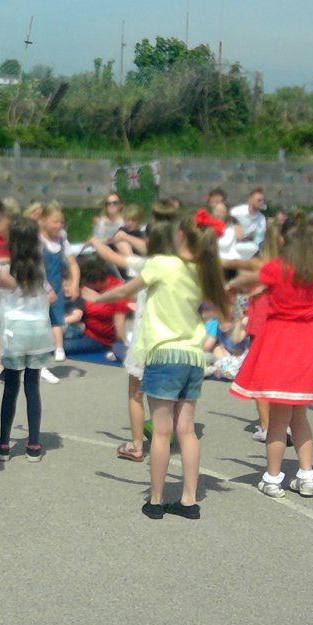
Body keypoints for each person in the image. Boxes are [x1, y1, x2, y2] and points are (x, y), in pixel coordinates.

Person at [93, 216, 232, 517]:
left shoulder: (163, 265)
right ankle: (189, 500)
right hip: (192, 356)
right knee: (187, 431)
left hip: (164, 353)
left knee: (160, 432)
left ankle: (155, 500)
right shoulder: (202, 270)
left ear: (181, 234)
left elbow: (124, 290)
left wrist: (96, 297)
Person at [0, 217, 53, 461]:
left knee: (11, 387)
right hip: (38, 330)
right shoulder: (39, 267)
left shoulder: (7, 268)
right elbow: (47, 293)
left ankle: (4, 443)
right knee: (32, 387)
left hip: (15, 330)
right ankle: (34, 443)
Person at [37, 203, 77, 381]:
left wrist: (75, 283)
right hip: (39, 287)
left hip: (56, 285)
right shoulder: (38, 241)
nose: (59, 225)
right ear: (44, 221)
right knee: (41, 325)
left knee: (55, 320)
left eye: (61, 222)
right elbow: (37, 269)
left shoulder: (61, 238)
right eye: (55, 222)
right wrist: (46, 289)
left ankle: (55, 350)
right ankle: (40, 365)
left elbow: (72, 264)